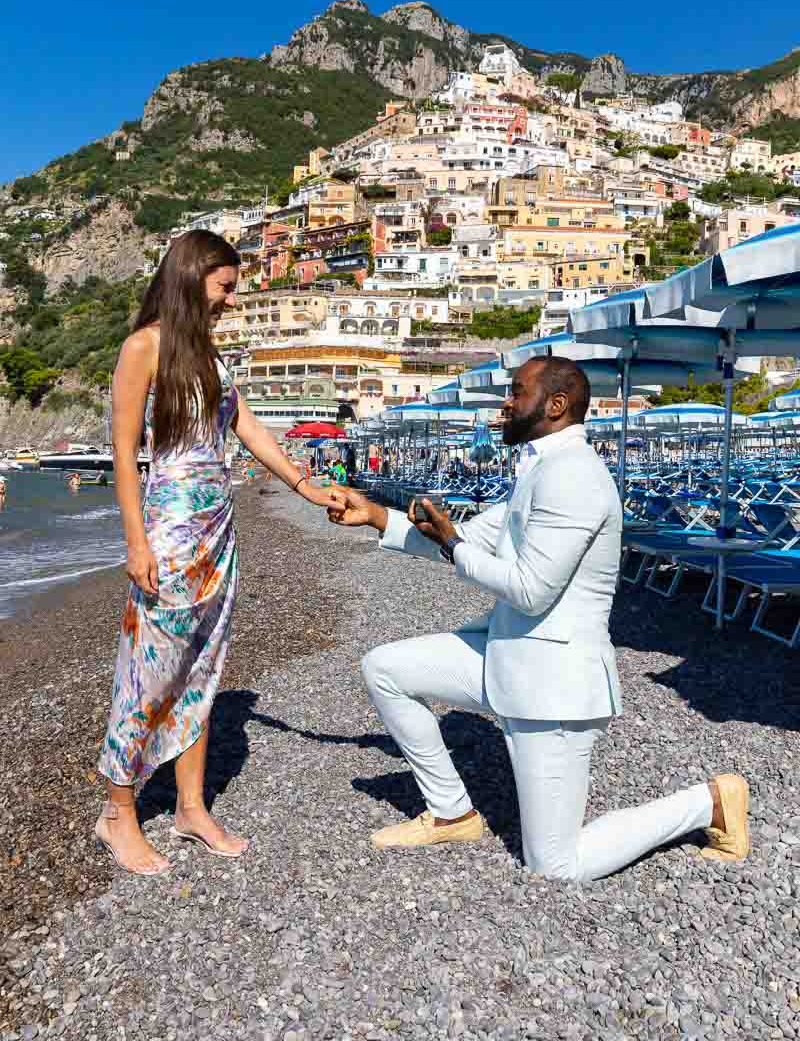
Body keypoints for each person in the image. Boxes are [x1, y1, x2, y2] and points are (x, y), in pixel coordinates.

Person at [328, 356, 749, 880]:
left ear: (555, 405)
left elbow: (530, 589)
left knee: (556, 865)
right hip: (508, 658)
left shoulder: (574, 476)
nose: (505, 403)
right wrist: (375, 515)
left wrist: (455, 545)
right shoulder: (543, 468)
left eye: (516, 392)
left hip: (553, 686)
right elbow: (470, 536)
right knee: (384, 668)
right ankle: (451, 813)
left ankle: (707, 803)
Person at [96, 230, 336, 876]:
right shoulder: (142, 348)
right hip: (169, 538)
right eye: (225, 287)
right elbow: (124, 452)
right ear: (192, 276)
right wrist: (136, 541)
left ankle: (191, 807)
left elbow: (248, 427)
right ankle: (118, 812)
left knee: (204, 668)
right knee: (150, 671)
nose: (230, 300)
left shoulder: (213, 358)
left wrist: (305, 486)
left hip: (219, 533)